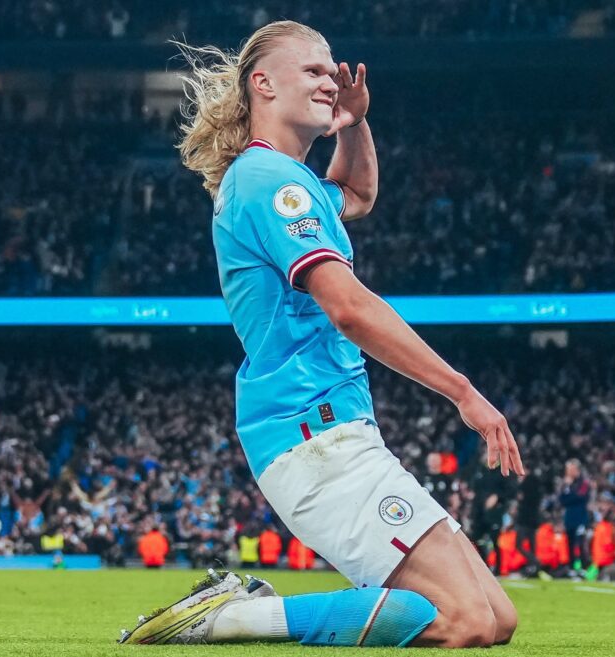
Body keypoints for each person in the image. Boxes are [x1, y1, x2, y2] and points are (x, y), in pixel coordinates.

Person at [119, 20, 524, 648]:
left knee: (497, 618)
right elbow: (349, 310)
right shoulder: (269, 183)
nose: (330, 81)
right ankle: (232, 616)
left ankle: (242, 610)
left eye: (331, 71)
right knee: (464, 621)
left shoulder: (289, 180)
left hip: (332, 433)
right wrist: (462, 391)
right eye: (312, 71)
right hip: (313, 437)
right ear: (263, 85)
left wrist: (355, 123)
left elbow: (358, 194)